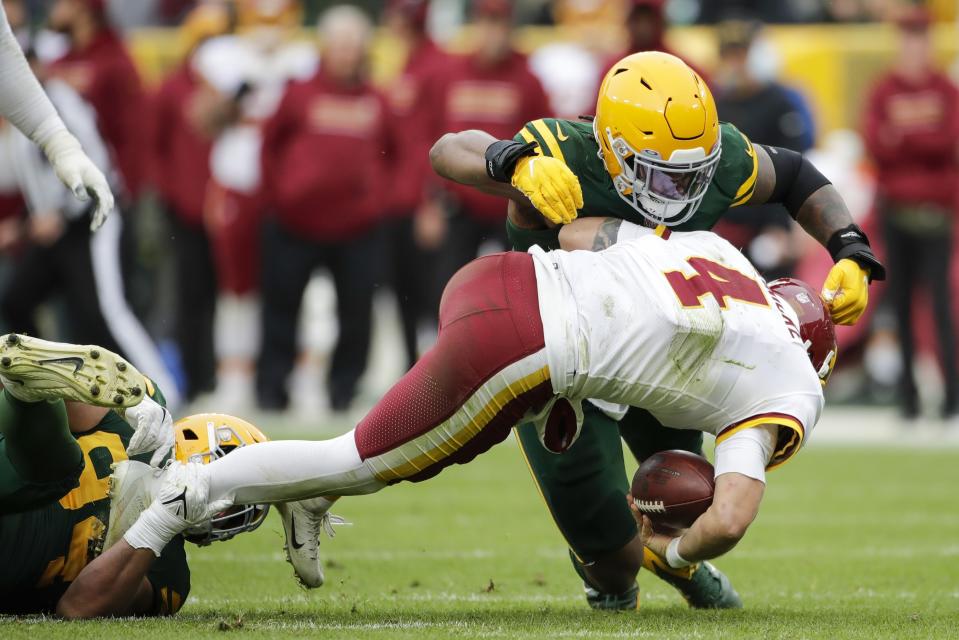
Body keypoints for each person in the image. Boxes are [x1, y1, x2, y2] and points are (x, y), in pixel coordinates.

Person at [109, 218, 835, 606]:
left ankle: (305, 493)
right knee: (357, 459)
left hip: (497, 275)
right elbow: (731, 517)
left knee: (371, 449)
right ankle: (189, 489)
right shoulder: (790, 381)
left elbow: (585, 233)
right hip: (521, 343)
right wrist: (670, 552)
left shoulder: (721, 255)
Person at [428, 51, 884, 609]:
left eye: (692, 171)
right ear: (612, 150)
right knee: (615, 562)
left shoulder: (713, 162)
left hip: (668, 354)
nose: (679, 188)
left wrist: (850, 247)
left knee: (678, 501)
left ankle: (682, 568)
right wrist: (511, 160)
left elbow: (792, 174)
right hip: (569, 369)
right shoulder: (567, 151)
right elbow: (449, 149)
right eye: (661, 171)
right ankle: (612, 578)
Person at [0, 334, 338, 615]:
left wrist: (160, 522)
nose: (226, 513)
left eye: (239, 511)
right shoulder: (146, 418)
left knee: (53, 458)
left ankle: (25, 390)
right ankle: (26, 388)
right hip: (17, 476)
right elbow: (72, 403)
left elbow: (78, 608)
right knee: (59, 463)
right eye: (235, 500)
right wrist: (133, 404)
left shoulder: (171, 573)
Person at [0, 51, 181, 411]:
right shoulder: (18, 115)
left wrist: (61, 215)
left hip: (93, 218)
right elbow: (36, 183)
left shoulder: (58, 102)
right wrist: (23, 223)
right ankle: (40, 389)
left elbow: (89, 162)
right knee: (17, 299)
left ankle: (162, 393)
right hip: (55, 228)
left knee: (106, 310)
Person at [256, 5, 391, 412]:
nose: (348, 53)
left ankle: (343, 390)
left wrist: (377, 200)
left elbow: (399, 154)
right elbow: (269, 146)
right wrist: (280, 194)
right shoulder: (299, 92)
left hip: (356, 229)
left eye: (354, 46)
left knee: (355, 315)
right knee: (280, 310)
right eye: (340, 45)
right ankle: (272, 391)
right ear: (325, 47)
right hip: (294, 225)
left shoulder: (377, 99)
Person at [191, 0, 317, 412]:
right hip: (238, 177)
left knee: (297, 285)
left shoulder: (306, 58)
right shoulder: (222, 56)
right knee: (236, 287)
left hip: (288, 183)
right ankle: (236, 376)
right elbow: (199, 119)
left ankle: (302, 377)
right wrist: (232, 99)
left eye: (276, 19)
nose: (268, 30)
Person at [419, 0, 551, 317]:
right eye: (487, 22)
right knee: (445, 291)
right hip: (458, 206)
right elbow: (430, 139)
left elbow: (544, 142)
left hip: (510, 206)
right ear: (476, 25)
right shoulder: (449, 75)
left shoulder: (527, 80)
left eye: (500, 23)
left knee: (517, 297)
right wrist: (428, 202)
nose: (493, 32)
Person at [863, 7, 959, 420]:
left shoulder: (945, 89)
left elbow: (946, 142)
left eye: (920, 38)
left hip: (936, 214)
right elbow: (876, 145)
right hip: (896, 214)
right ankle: (909, 400)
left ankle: (951, 395)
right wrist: (921, 143)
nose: (914, 47)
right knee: (899, 304)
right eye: (907, 39)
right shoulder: (884, 90)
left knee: (940, 305)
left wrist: (904, 139)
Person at [152, 3, 232, 403]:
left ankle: (222, 376)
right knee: (189, 297)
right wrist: (172, 195)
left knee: (228, 297)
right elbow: (156, 147)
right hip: (186, 210)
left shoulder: (235, 84)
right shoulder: (173, 87)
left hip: (230, 210)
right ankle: (193, 378)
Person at [711, 19, 816, 279]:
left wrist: (780, 226)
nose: (736, 63)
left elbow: (793, 169)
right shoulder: (716, 105)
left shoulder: (782, 102)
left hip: (770, 228)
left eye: (742, 54)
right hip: (726, 229)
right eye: (729, 55)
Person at [382, 0, 452, 368]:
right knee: (402, 292)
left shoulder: (437, 66)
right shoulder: (405, 64)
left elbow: (443, 138)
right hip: (397, 200)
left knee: (430, 293)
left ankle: (434, 370)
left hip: (422, 201)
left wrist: (433, 199)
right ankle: (411, 370)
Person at [0, 0, 112, 230]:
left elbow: (6, 61)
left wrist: (60, 214)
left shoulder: (58, 97)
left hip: (85, 214)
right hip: (50, 221)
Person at [45, 0, 147, 201]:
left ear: (82, 9)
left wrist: (127, 190)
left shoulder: (116, 62)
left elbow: (135, 133)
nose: (54, 9)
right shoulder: (59, 62)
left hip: (112, 190)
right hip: (67, 194)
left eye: (61, 3)